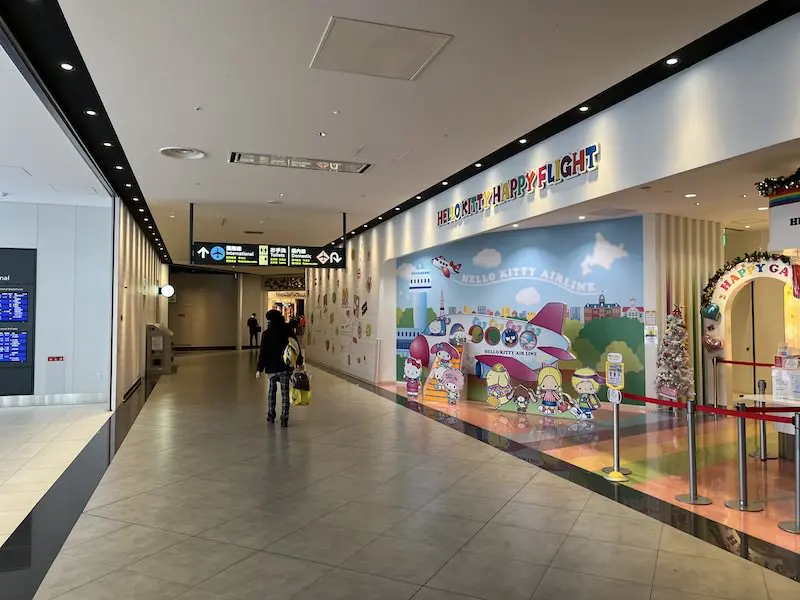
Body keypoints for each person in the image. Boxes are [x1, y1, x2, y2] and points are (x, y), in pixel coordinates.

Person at [256, 310, 300, 427]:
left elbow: (263, 353)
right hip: (285, 367)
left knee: (272, 391)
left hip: (272, 368)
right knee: (285, 393)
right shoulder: (287, 331)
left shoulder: (266, 333)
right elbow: (296, 347)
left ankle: (271, 414)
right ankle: (285, 417)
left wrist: (259, 369)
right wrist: (299, 363)